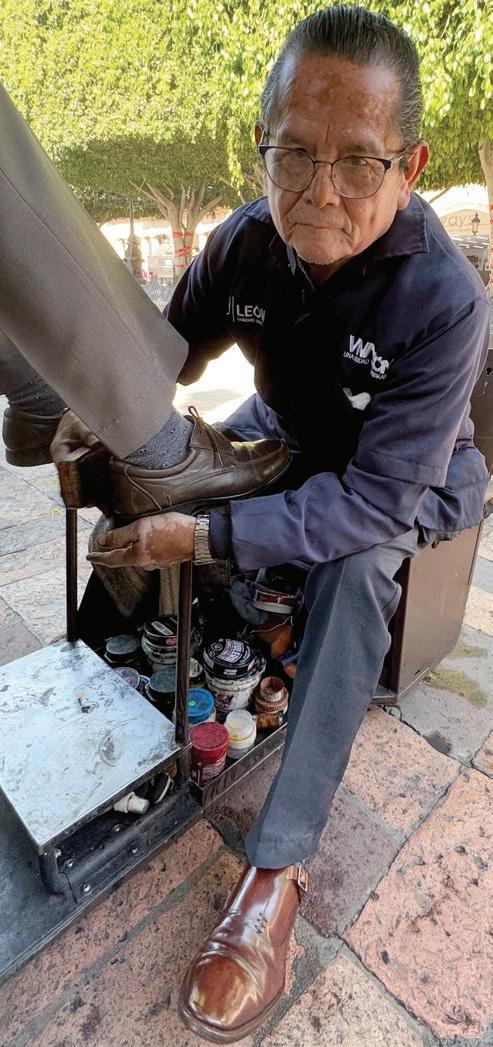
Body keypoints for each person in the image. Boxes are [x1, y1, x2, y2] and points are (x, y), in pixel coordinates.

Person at [0, 5, 489, 1043]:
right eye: (293, 153)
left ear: (410, 167)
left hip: (405, 477)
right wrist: (94, 421)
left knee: (356, 565)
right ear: (259, 140)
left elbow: (373, 499)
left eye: (358, 162)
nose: (319, 192)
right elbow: (164, 355)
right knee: (155, 470)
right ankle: (114, 663)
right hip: (287, 436)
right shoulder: (245, 241)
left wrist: (209, 537)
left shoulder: (445, 300)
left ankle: (276, 869)